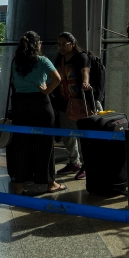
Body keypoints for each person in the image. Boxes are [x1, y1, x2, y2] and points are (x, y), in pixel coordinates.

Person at [7, 31, 64, 195]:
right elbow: (57, 79)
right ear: (37, 44)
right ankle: (49, 183)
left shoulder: (15, 62)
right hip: (40, 104)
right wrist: (47, 92)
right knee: (44, 145)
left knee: (22, 145)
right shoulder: (42, 61)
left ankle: (18, 186)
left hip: (20, 104)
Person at [53, 32, 90, 180]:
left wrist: (85, 82)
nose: (61, 47)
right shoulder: (59, 59)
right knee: (67, 134)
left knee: (81, 135)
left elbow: (85, 71)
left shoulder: (81, 57)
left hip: (79, 102)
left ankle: (86, 165)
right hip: (63, 102)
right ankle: (73, 161)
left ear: (73, 43)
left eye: (64, 44)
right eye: (59, 44)